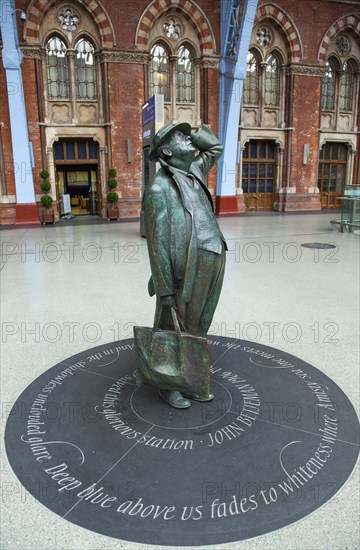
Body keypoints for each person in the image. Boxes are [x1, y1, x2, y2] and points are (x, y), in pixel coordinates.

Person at [144, 122, 226, 408]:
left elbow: (215, 147)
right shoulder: (159, 188)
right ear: (167, 151)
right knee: (173, 326)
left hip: (213, 254)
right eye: (179, 136)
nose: (187, 139)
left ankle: (191, 378)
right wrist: (165, 288)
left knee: (199, 324)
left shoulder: (195, 170)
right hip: (184, 268)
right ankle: (167, 385)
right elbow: (156, 243)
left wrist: (193, 133)